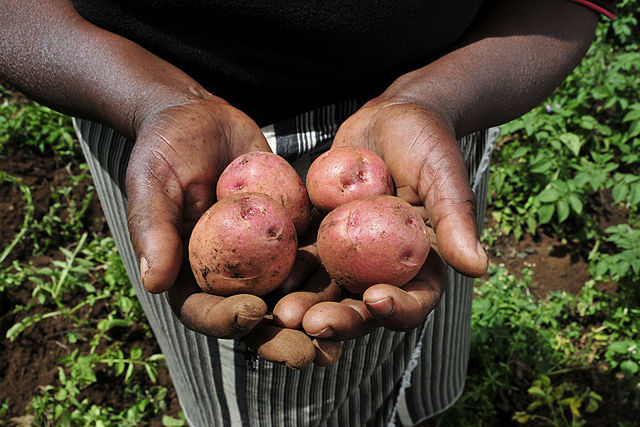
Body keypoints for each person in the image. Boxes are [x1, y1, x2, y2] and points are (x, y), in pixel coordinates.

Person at [0, 0, 616, 425]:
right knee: (266, 385)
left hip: (439, 110)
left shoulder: (407, 179)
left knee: (420, 334)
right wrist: (151, 102)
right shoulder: (199, 168)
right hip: (158, 124)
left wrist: (431, 101)